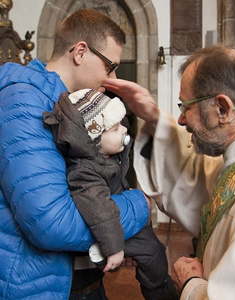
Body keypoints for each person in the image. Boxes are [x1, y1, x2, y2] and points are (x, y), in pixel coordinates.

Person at [102, 45, 235, 300]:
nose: (181, 120)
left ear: (222, 109)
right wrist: (154, 118)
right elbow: (201, 178)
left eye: (186, 106)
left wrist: (191, 283)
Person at [0, 9, 149, 300]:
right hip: (35, 285)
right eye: (110, 66)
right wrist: (140, 206)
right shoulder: (24, 100)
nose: (113, 79)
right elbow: (51, 223)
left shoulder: (67, 103)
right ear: (80, 52)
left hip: (76, 278)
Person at [43, 88, 179, 300]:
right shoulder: (85, 170)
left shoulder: (106, 156)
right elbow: (99, 209)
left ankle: (158, 287)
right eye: (115, 128)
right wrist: (114, 247)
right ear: (94, 139)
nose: (124, 131)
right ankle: (161, 293)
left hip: (117, 222)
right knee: (153, 254)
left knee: (154, 253)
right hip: (108, 228)